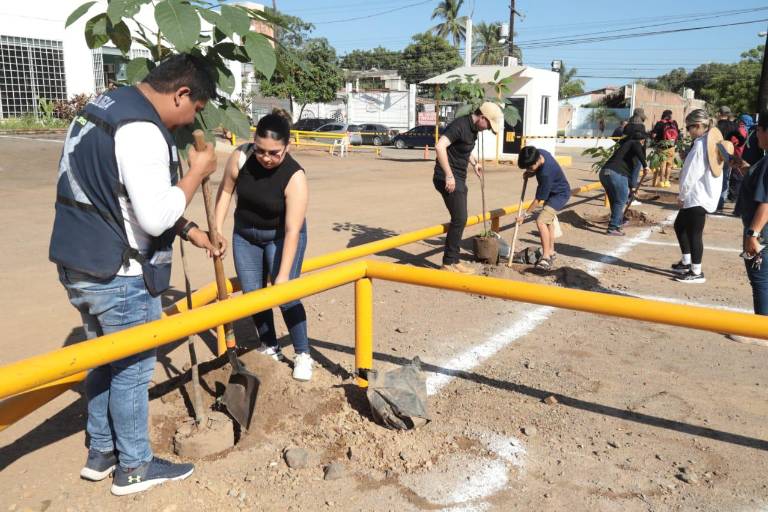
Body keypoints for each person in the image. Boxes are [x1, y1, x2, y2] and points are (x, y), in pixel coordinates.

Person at [49, 54, 220, 495]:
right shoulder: (142, 130)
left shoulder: (104, 105)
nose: (188, 122)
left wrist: (190, 230)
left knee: (104, 360)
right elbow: (154, 215)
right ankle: (135, 467)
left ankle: (101, 452)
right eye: (195, 110)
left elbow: (112, 192)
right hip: (118, 274)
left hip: (80, 263)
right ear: (182, 93)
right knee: (132, 370)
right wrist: (198, 173)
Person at [213, 111, 312, 380]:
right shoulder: (240, 157)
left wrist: (281, 277)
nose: (266, 158)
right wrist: (217, 231)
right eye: (261, 150)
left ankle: (303, 353)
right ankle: (270, 345)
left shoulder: (294, 176)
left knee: (286, 295)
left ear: (287, 147)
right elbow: (224, 192)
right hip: (245, 236)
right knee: (254, 295)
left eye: (274, 153)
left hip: (282, 236)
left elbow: (293, 230)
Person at [433, 102, 504, 273]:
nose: (487, 129)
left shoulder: (472, 130)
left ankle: (454, 261)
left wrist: (474, 163)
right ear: (482, 117)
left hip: (459, 178)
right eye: (488, 125)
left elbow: (462, 149)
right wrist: (449, 175)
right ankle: (448, 263)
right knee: (459, 218)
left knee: (461, 219)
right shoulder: (460, 125)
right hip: (446, 178)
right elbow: (440, 146)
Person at [671, 109, 732, 283]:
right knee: (680, 226)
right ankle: (687, 261)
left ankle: (696, 272)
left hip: (697, 195)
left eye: (689, 127)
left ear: (698, 126)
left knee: (694, 233)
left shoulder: (700, 145)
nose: (688, 131)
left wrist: (682, 195)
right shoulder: (709, 142)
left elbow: (691, 173)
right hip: (702, 194)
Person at [729, 111, 768, 346]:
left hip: (761, 232)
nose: (756, 136)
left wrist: (752, 234)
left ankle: (761, 330)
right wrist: (743, 167)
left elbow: (766, 201)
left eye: (759, 131)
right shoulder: (764, 160)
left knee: (760, 280)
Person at [516, 146, 572, 269]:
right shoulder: (540, 152)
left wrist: (524, 215)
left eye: (530, 167)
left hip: (560, 194)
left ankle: (546, 257)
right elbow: (535, 169)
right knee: (548, 222)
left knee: (541, 221)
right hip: (553, 191)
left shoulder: (546, 173)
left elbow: (538, 199)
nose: (528, 169)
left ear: (537, 161)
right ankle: (551, 251)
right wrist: (530, 172)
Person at [599, 131, 651, 235]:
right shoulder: (633, 143)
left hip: (604, 173)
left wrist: (632, 188)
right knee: (621, 201)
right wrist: (645, 165)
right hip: (616, 174)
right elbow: (637, 147)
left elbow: (632, 173)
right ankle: (612, 227)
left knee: (615, 201)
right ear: (642, 140)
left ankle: (617, 224)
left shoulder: (625, 150)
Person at [715, 106, 742, 212]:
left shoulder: (716, 125)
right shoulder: (734, 126)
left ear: (719, 113)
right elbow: (740, 140)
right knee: (725, 178)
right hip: (728, 153)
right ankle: (721, 201)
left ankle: (713, 201)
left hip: (715, 152)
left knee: (714, 176)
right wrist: (733, 145)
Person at [650, 110, 680, 188]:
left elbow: (653, 135)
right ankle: (667, 181)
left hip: (661, 147)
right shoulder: (674, 123)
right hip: (672, 146)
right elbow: (678, 134)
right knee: (669, 165)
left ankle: (661, 182)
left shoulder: (660, 123)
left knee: (662, 165)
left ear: (663, 115)